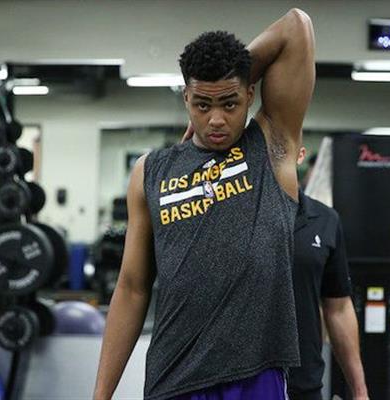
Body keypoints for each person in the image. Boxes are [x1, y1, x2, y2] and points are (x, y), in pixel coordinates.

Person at [94, 8, 315, 400]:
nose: (215, 119)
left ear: (250, 94)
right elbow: (131, 288)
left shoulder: (271, 147)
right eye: (201, 105)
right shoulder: (151, 171)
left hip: (254, 376)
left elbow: (296, 26)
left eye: (229, 104)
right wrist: (101, 395)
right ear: (186, 97)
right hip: (173, 378)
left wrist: (238, 71)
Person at [288, 147, 368, 400]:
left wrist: (360, 392)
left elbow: (339, 308)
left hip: (304, 385)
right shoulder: (236, 218)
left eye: (281, 150)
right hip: (242, 387)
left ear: (300, 155)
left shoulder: (325, 220)